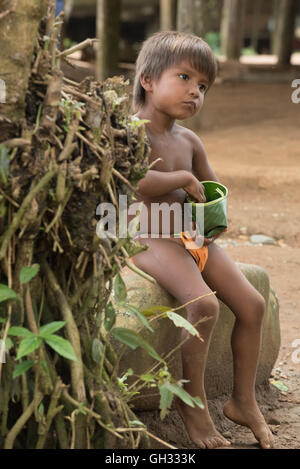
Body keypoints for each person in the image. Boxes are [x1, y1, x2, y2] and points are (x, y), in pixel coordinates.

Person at [128, 31, 274, 449]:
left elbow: (209, 189)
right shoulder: (130, 131)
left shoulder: (189, 140)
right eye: (185, 77)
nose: (195, 92)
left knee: (252, 304)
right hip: (147, 235)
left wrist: (214, 215)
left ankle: (243, 401)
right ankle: (193, 409)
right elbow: (135, 179)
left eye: (203, 86)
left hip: (190, 236)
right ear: (148, 80)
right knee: (203, 304)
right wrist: (181, 179)